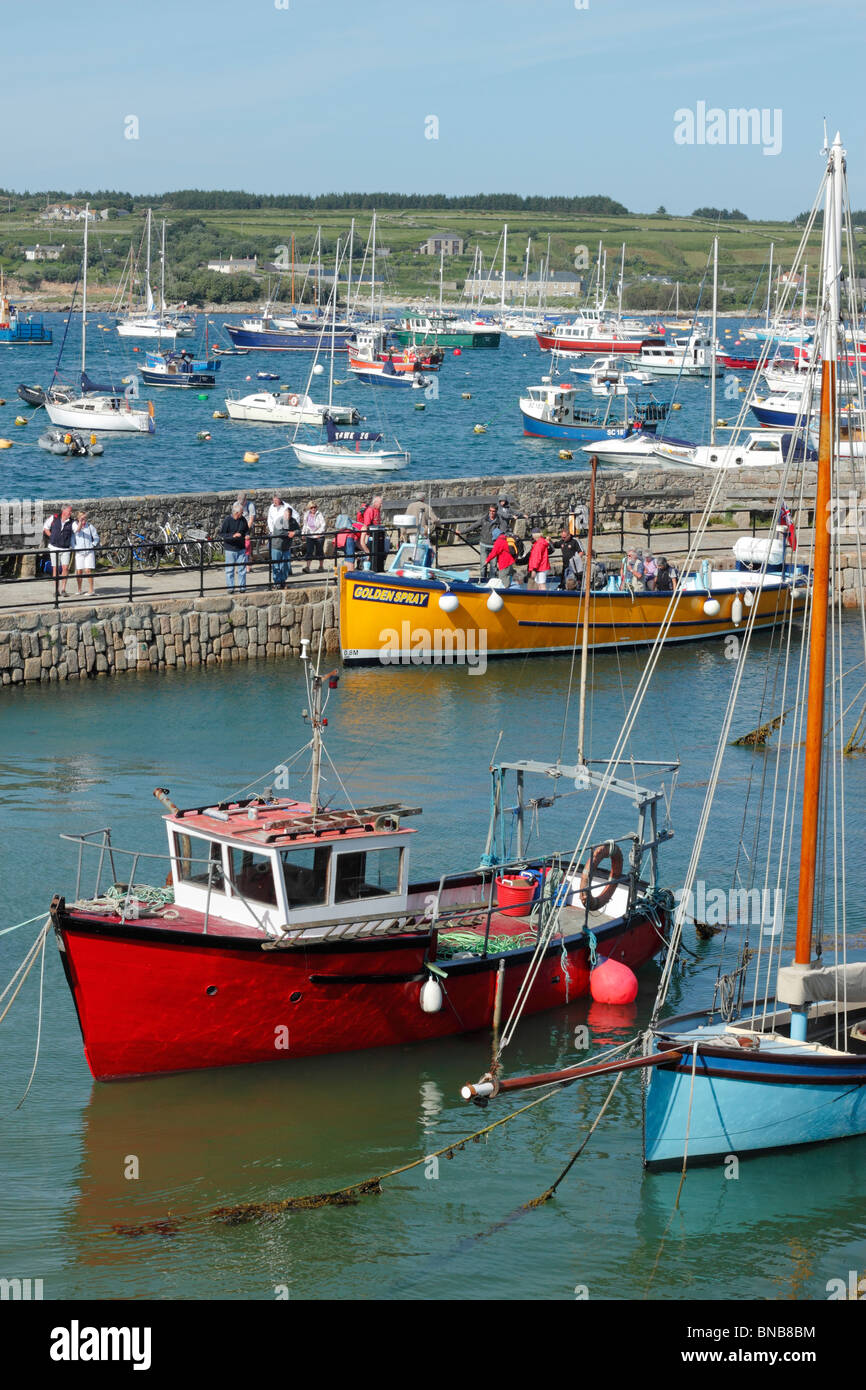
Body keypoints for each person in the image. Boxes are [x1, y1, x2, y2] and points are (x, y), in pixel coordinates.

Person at [43, 504, 74, 595]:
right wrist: (51, 536)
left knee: (65, 568)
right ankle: (56, 590)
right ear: (64, 511)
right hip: (54, 547)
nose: (71, 513)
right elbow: (46, 527)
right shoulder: (54, 518)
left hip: (65, 548)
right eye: (69, 511)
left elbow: (76, 531)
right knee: (55, 568)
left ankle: (63, 589)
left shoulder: (71, 522)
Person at [267, 494, 296, 588]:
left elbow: (296, 517)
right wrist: (272, 531)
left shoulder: (287, 507)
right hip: (276, 537)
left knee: (285, 565)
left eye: (276, 500)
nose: (274, 502)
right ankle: (277, 583)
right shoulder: (272, 507)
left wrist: (293, 532)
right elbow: (270, 519)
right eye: (273, 500)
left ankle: (282, 582)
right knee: (276, 564)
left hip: (285, 542)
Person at [220, 502, 249, 592]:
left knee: (242, 569)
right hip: (230, 549)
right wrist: (233, 536)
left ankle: (242, 587)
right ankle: (230, 588)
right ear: (236, 513)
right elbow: (222, 534)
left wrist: (247, 535)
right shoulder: (227, 520)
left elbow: (246, 530)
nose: (242, 514)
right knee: (229, 570)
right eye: (241, 513)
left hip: (241, 548)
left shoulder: (243, 520)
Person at [72, 511, 100, 596]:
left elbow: (96, 537)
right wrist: (75, 547)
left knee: (88, 570)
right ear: (78, 518)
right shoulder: (74, 525)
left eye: (84, 518)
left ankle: (91, 590)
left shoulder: (90, 527)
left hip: (89, 552)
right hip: (79, 552)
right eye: (81, 518)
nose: (84, 519)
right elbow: (76, 532)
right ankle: (79, 589)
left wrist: (92, 545)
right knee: (79, 571)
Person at [301, 501, 326, 572]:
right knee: (309, 551)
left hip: (319, 535)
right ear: (309, 508)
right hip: (310, 535)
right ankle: (307, 567)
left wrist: (319, 533)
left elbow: (323, 524)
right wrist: (303, 533)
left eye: (315, 507)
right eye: (312, 507)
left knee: (320, 551)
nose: (313, 509)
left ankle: (321, 566)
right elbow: (305, 525)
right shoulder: (306, 515)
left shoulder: (319, 514)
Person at [479, 503, 501, 578]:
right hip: (484, 545)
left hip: (494, 546)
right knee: (483, 565)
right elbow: (474, 526)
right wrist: (462, 532)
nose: (491, 512)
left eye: (493, 511)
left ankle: (492, 582)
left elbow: (504, 530)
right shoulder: (484, 519)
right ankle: (482, 580)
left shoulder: (499, 520)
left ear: (496, 511)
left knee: (493, 566)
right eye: (490, 511)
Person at [237, 493, 256, 569]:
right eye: (239, 502)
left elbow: (251, 520)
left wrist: (245, 530)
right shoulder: (236, 504)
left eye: (242, 503)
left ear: (245, 500)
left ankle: (248, 564)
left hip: (248, 527)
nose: (241, 504)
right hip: (239, 528)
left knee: (248, 546)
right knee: (240, 546)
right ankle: (241, 563)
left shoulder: (250, 505)